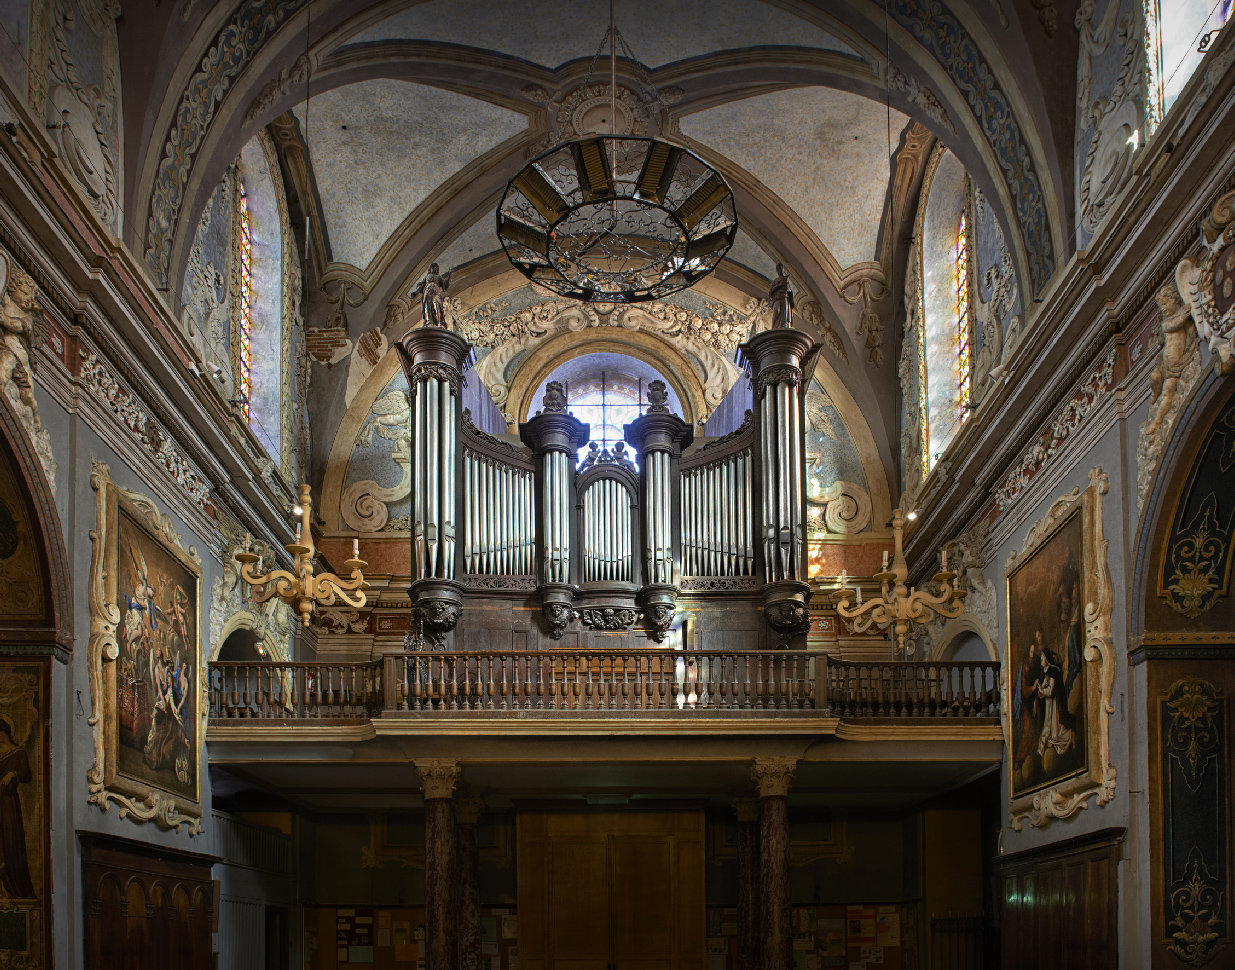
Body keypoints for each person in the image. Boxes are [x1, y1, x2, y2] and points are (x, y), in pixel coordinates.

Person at [0, 717, 35, 899]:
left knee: (9, 840)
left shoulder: (18, 753)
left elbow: (27, 775)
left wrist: (13, 774)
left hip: (7, 803)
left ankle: (10, 887)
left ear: (4, 733)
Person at [1035, 648, 1075, 757]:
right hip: (1049, 703)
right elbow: (1044, 688)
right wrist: (1041, 691)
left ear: (1047, 659)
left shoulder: (1052, 671)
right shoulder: (1047, 671)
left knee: (1051, 725)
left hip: (1054, 703)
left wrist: (1041, 690)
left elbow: (1050, 690)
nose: (1041, 660)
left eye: (1042, 658)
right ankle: (1040, 749)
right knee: (1048, 725)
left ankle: (1041, 749)